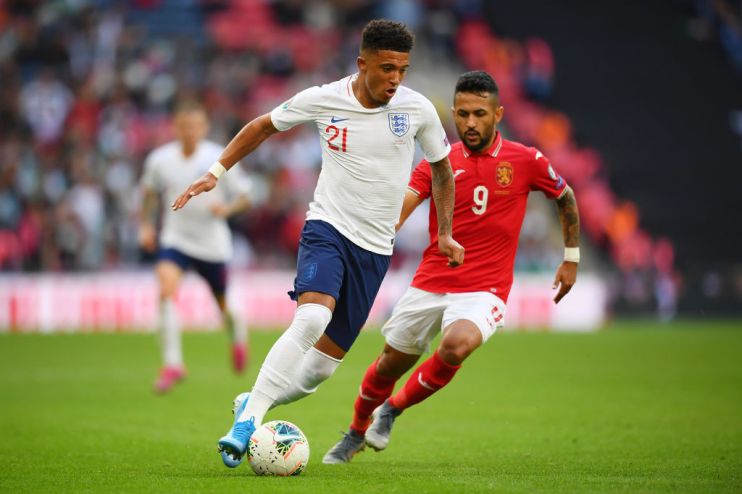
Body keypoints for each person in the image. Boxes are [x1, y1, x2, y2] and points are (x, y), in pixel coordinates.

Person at [170, 19, 465, 467]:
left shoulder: (418, 109)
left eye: (402, 69)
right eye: (387, 68)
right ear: (362, 63)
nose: (395, 79)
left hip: (375, 249)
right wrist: (215, 173)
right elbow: (263, 125)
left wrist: (443, 230)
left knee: (318, 372)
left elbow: (442, 170)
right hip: (327, 228)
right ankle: (248, 421)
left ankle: (254, 400)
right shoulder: (323, 98)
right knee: (310, 317)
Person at [322, 70, 581, 464]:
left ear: (498, 114)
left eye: (479, 114)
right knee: (390, 362)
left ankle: (392, 410)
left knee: (456, 345)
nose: (469, 123)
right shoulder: (437, 162)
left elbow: (565, 196)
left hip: (485, 289)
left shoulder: (526, 160)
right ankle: (355, 430)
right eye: (462, 114)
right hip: (432, 280)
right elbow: (402, 208)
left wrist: (571, 257)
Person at [139, 102, 251, 394]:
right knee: (165, 291)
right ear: (176, 128)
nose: (189, 132)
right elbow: (149, 194)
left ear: (204, 129)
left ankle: (237, 338)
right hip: (176, 239)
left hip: (212, 244)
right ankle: (173, 364)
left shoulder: (218, 157)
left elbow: (245, 198)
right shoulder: (159, 160)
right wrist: (146, 226)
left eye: (195, 126)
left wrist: (224, 210)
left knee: (226, 309)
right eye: (184, 127)